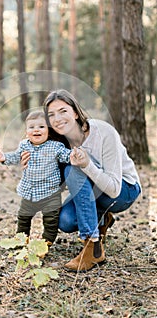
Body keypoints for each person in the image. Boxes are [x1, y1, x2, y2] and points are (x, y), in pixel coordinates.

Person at [21, 89, 141, 271]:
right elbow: (58, 184)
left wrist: (87, 165)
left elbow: (115, 189)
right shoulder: (57, 145)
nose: (57, 118)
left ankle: (92, 247)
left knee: (74, 167)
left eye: (63, 111)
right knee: (65, 220)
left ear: (75, 112)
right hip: (93, 192)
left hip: (124, 190)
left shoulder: (103, 132)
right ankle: (101, 218)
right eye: (51, 115)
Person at [0, 110, 72, 246]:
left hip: (51, 193)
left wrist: (74, 155)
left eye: (41, 127)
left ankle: (46, 242)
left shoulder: (55, 146)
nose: (36, 130)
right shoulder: (24, 145)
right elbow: (16, 156)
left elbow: (66, 155)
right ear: (26, 130)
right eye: (31, 127)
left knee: (51, 220)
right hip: (29, 192)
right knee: (23, 217)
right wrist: (4, 157)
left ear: (49, 130)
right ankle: (21, 239)